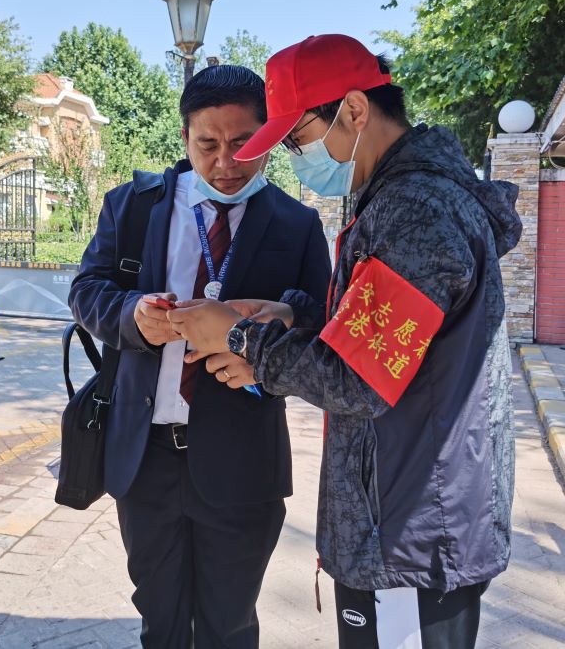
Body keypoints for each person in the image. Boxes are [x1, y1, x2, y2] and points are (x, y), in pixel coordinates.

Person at [168, 35, 522, 649]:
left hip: (411, 530)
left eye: (299, 139)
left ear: (354, 110)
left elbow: (357, 377)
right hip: (404, 514)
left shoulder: (416, 211)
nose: (297, 159)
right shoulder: (396, 194)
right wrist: (293, 316)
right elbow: (382, 333)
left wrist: (242, 339)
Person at [69, 65, 331, 648]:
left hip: (243, 459)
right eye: (208, 144)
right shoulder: (134, 207)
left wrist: (274, 332)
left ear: (268, 137)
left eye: (244, 143)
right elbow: (87, 290)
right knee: (159, 619)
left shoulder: (296, 224)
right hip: (146, 457)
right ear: (185, 137)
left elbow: (321, 322)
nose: (226, 162)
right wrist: (132, 315)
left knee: (228, 623)